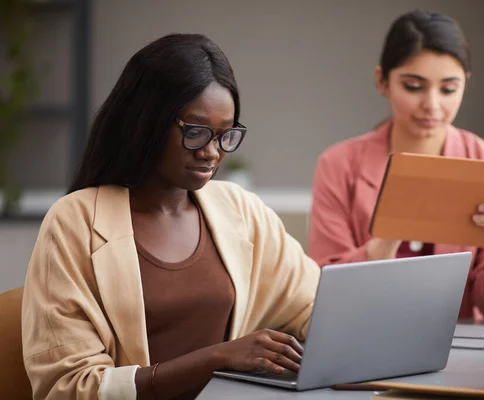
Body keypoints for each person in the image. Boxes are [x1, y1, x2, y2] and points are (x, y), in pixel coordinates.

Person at [21, 33, 320, 400]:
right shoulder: (74, 222)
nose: (211, 152)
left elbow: (316, 310)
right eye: (196, 132)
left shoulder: (241, 210)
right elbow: (68, 387)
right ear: (146, 121)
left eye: (225, 135)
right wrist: (216, 359)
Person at [308, 10, 484, 323]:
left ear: (465, 84)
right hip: (363, 335)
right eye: (414, 86)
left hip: (456, 349)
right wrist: (387, 238)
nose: (432, 105)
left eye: (449, 89)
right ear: (382, 81)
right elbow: (323, 288)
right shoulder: (338, 165)